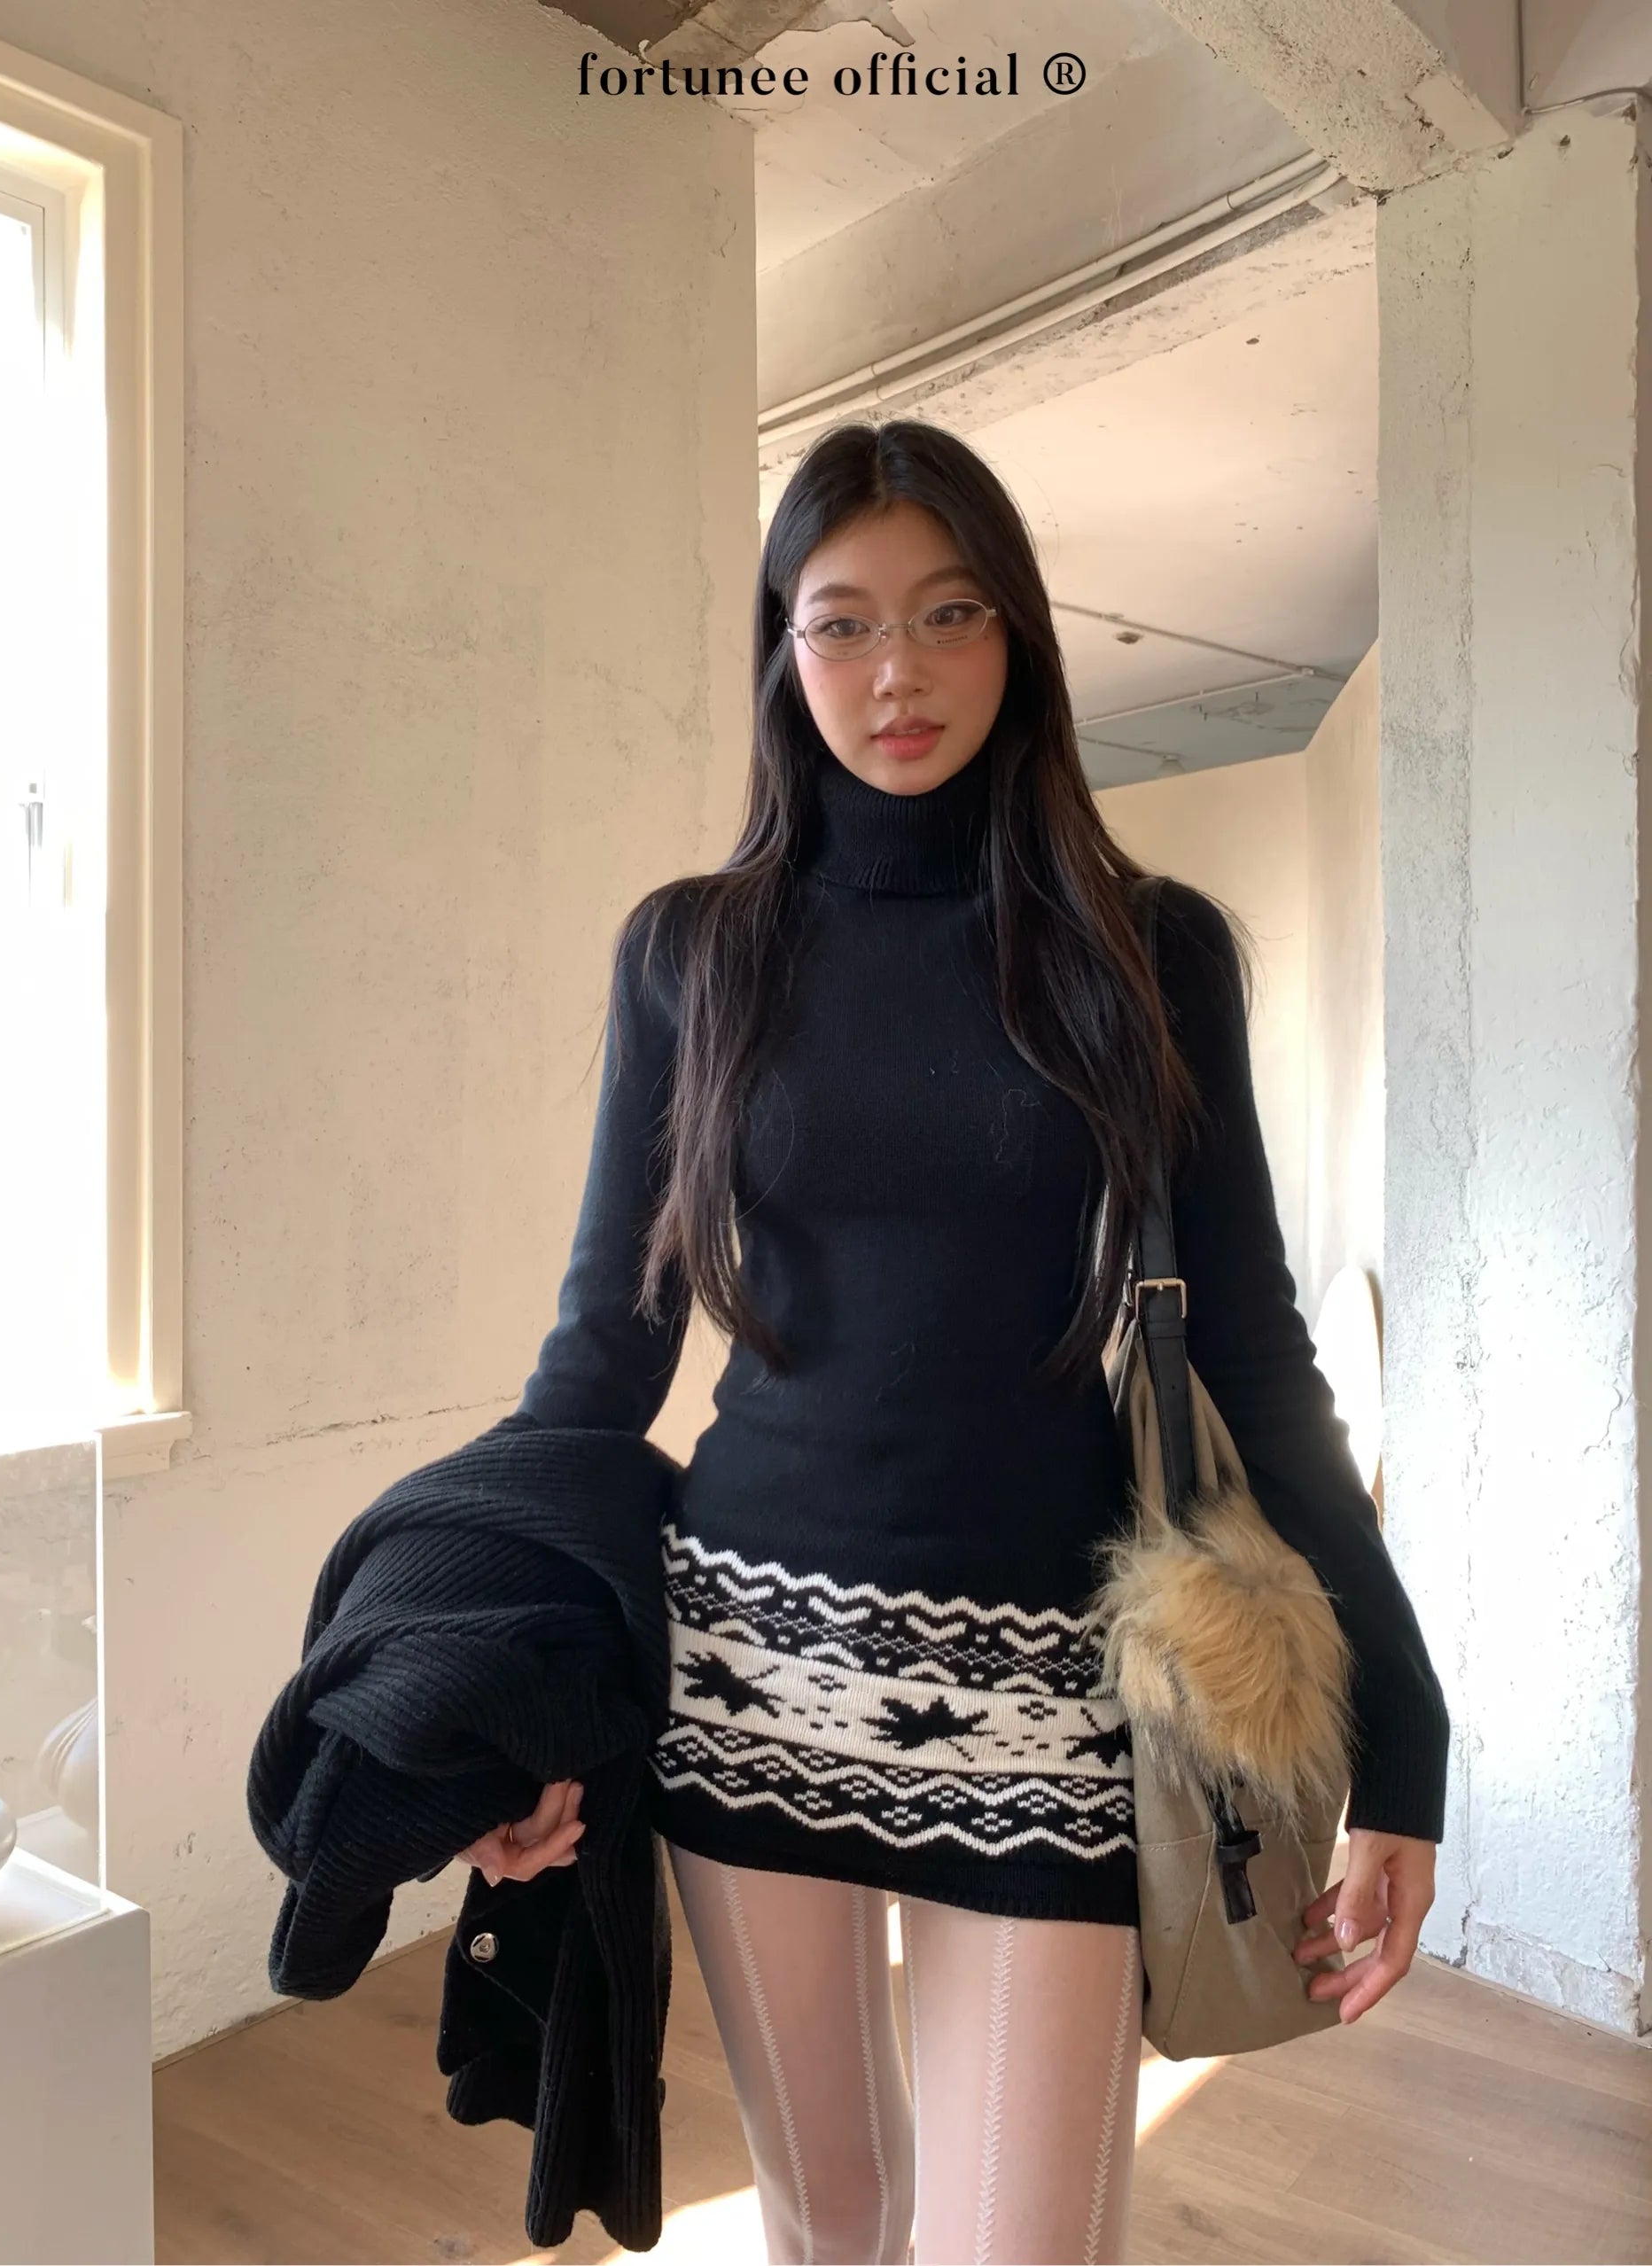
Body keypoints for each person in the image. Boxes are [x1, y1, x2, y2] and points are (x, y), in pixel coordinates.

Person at [457, 419, 1450, 2266]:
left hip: (1062, 1683)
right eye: (840, 622)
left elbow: (1253, 1354)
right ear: (782, 648)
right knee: (830, 2221)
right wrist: (497, 1702)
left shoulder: (1149, 951)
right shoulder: (691, 953)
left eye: (949, 612)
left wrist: (1405, 1732)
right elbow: (601, 1355)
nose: (895, 671)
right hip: (752, 1671)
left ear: (1021, 637)